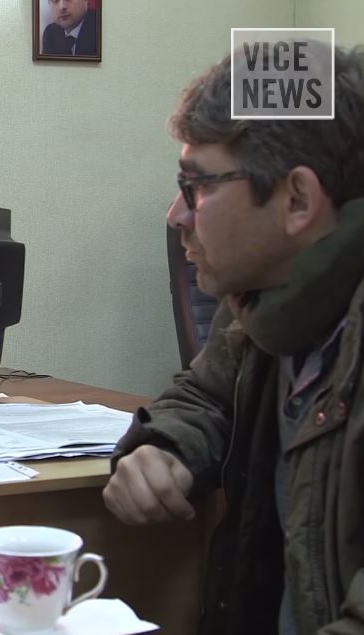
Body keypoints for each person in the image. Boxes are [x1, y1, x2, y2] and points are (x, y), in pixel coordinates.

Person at [102, 45, 364, 635]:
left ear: (297, 201)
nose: (176, 215)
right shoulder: (267, 296)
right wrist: (164, 446)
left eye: (197, 186)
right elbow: (207, 394)